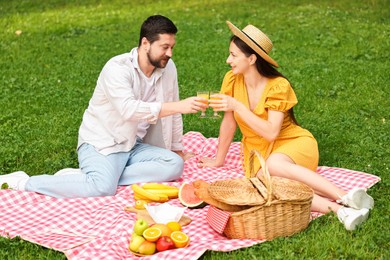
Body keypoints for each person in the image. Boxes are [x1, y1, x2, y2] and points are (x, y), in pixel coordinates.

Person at [0, 15, 206, 198]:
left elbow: (174, 114)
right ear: (145, 43)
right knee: (102, 188)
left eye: (172, 47)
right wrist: (179, 106)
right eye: (164, 47)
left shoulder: (167, 67)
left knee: (174, 165)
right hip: (102, 144)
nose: (169, 53)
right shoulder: (117, 69)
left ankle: (97, 175)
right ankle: (24, 181)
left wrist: (177, 148)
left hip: (133, 144)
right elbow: (129, 110)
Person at [198, 21, 374, 231]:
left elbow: (272, 132)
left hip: (292, 143)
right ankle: (341, 211)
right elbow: (229, 123)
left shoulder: (278, 86)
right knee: (266, 184)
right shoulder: (232, 80)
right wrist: (219, 160)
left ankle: (345, 196)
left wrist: (238, 106)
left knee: (273, 166)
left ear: (252, 58)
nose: (228, 60)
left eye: (234, 55)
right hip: (257, 153)